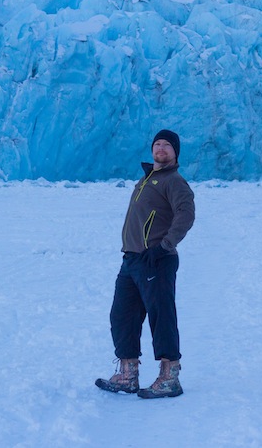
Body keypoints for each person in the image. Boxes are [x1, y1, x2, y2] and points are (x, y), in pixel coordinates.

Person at [95, 129, 195, 399]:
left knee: (161, 318)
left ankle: (170, 378)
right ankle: (128, 376)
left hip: (156, 259)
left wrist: (165, 246)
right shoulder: (148, 179)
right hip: (132, 259)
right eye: (157, 144)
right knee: (122, 316)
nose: (161, 148)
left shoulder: (174, 181)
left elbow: (186, 214)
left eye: (167, 145)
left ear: (175, 152)